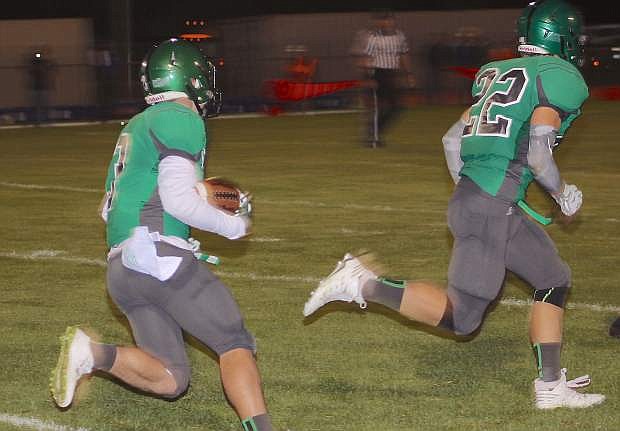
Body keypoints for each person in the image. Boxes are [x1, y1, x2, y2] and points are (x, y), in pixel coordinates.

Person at [304, 0, 605, 410]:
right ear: (563, 37)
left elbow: (450, 140)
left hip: (488, 202)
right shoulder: (559, 78)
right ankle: (362, 283)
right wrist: (562, 194)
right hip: (489, 206)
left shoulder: (499, 71)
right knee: (462, 318)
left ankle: (550, 386)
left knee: (553, 278)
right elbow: (538, 155)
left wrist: (472, 190)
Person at [50, 39, 274, 431]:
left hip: (122, 270)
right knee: (233, 341)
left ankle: (93, 355)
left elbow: (107, 208)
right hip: (157, 256)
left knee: (172, 378)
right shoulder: (181, 116)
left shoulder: (134, 127)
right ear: (190, 76)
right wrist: (235, 225)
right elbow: (178, 202)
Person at [351, 11, 415, 148]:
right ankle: (373, 138)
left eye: (390, 20)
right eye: (385, 20)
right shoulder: (373, 37)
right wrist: (368, 77)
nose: (387, 23)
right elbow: (366, 58)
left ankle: (374, 130)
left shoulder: (399, 36)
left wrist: (409, 74)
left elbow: (403, 54)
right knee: (377, 107)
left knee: (396, 107)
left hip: (392, 74)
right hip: (378, 73)